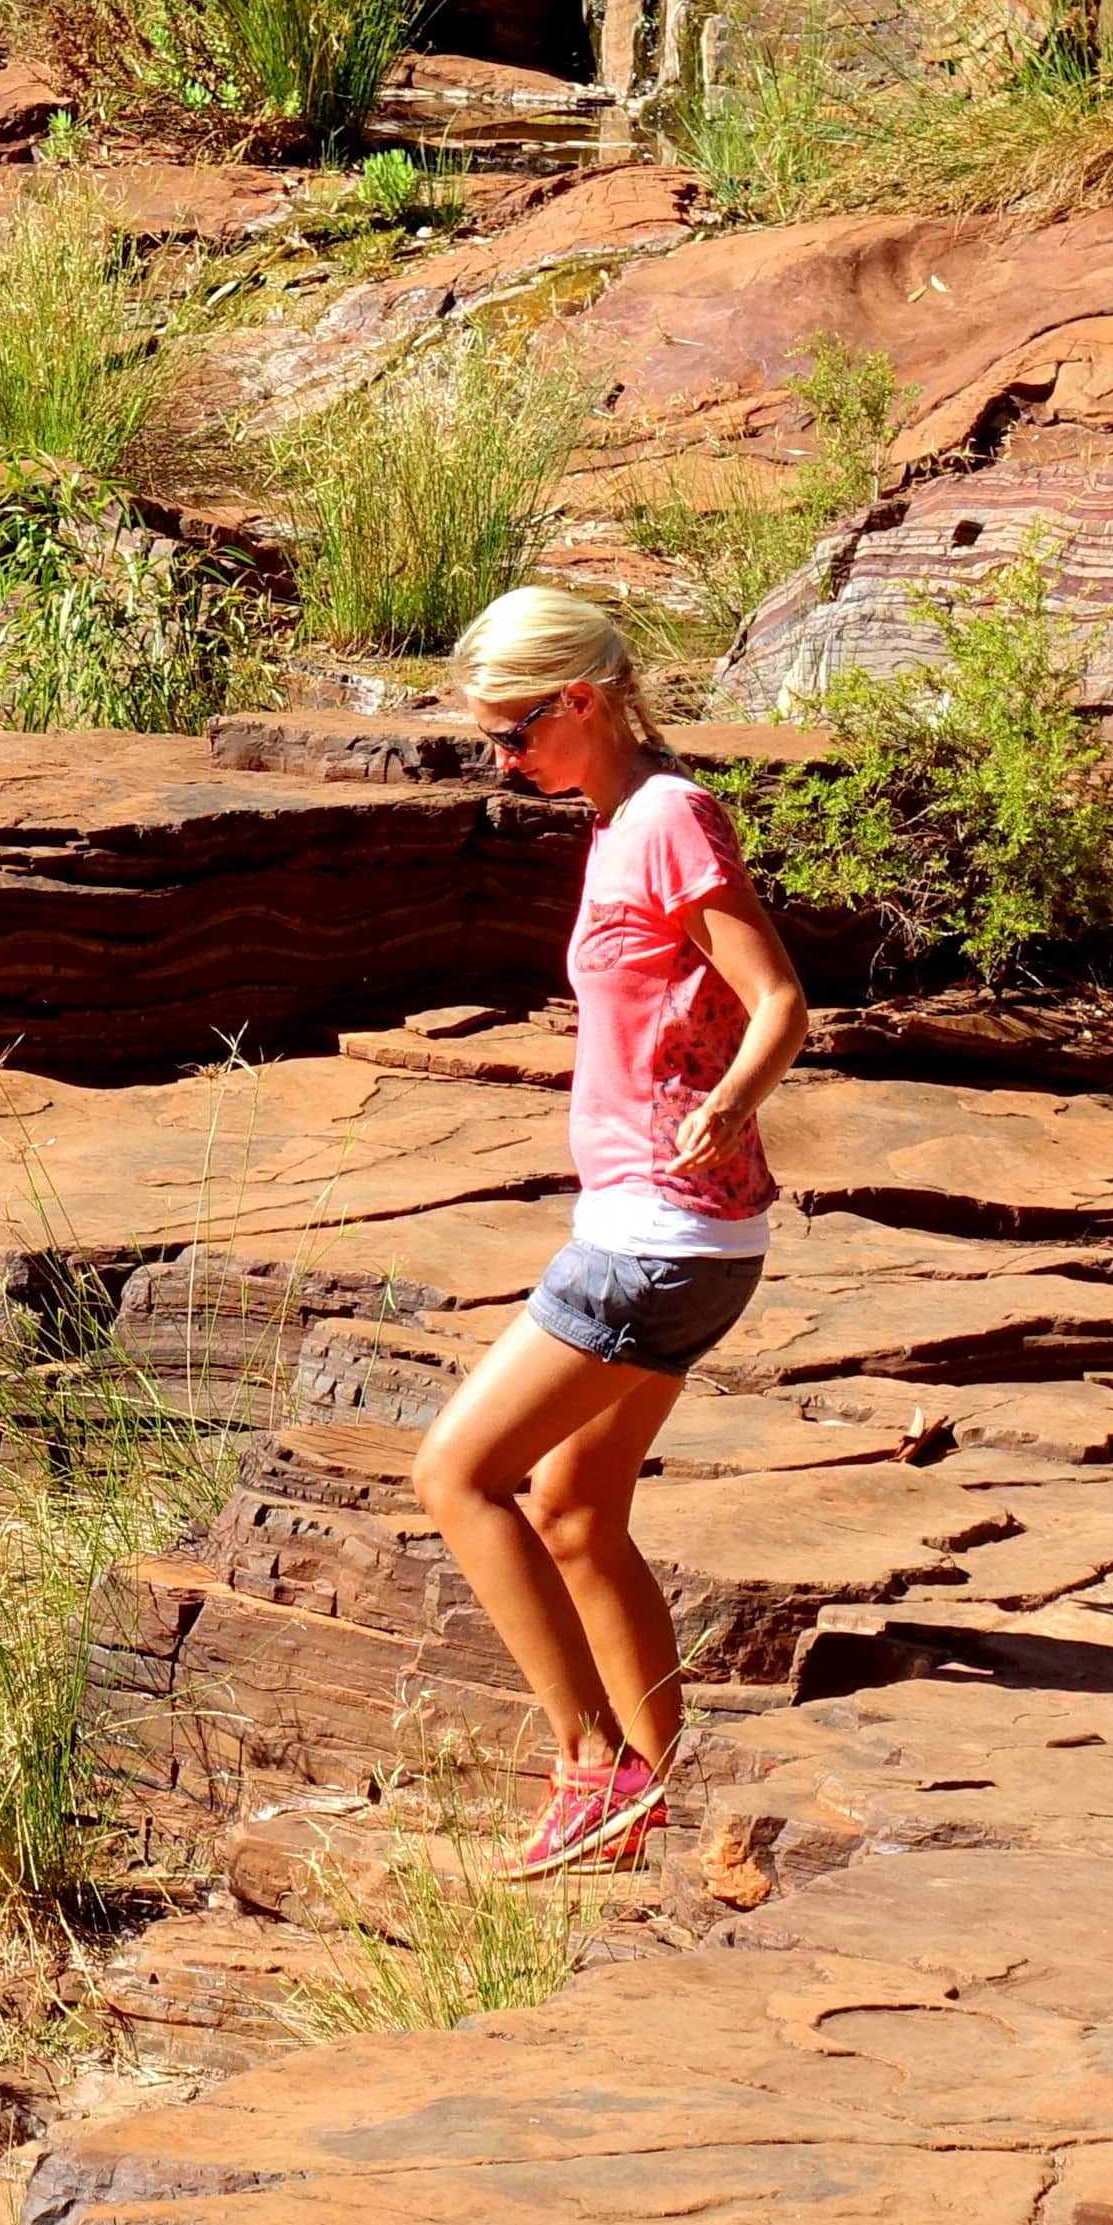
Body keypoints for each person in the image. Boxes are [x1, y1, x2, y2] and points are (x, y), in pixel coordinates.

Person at [412, 584, 811, 1880]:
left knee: (456, 1477)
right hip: (686, 1239)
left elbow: (779, 1002)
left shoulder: (666, 818)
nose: (504, 761)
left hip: (660, 1236)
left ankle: (593, 1766)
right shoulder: (620, 821)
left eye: (517, 733)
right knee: (577, 1509)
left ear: (582, 699)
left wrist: (731, 1103)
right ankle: (647, 1808)